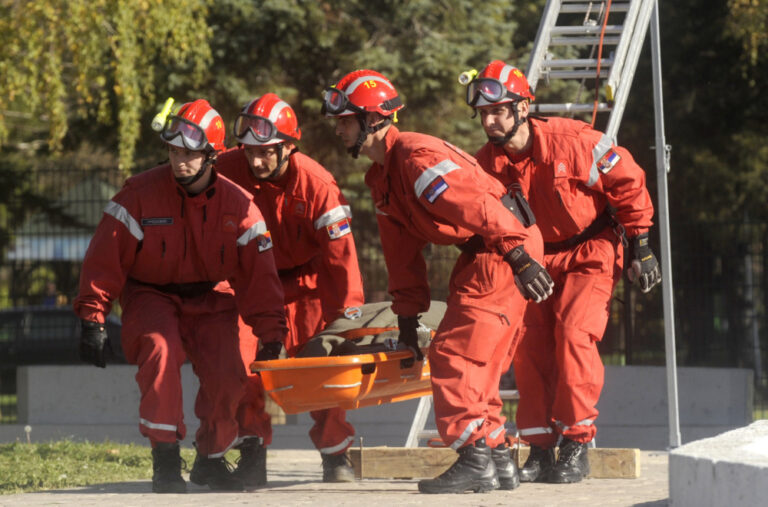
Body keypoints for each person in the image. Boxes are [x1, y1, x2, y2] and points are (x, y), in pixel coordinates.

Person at [321, 69, 554, 494]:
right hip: (493, 249)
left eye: (345, 120)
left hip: (502, 246)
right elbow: (402, 257)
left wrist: (518, 255)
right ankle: (497, 457)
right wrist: (407, 316)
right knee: (477, 361)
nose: (338, 130)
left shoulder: (413, 157)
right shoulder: (383, 177)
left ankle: (475, 458)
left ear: (372, 120)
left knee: (454, 354)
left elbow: (477, 204)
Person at [73, 99, 287, 493]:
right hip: (151, 294)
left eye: (188, 153)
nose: (179, 161)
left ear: (211, 155)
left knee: (229, 373)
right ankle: (166, 462)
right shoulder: (138, 194)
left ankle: (210, 460)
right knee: (159, 352)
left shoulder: (240, 207)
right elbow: (104, 257)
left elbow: (261, 278)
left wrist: (273, 334)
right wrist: (92, 317)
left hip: (213, 296)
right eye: (173, 151)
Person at [467, 60, 661, 483]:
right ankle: (538, 446)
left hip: (590, 249)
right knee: (529, 346)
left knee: (574, 335)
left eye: (499, 110)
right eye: (484, 113)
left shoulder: (573, 140)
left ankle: (575, 443)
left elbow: (629, 182)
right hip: (533, 260)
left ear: (522, 108)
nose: (490, 120)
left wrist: (641, 246)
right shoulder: (485, 164)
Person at [216, 93, 365, 483]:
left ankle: (336, 456)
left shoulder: (318, 184)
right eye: (249, 151)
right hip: (248, 285)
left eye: (266, 153)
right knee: (242, 368)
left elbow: (341, 260)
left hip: (309, 286)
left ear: (288, 146)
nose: (256, 161)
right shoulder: (226, 171)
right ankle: (251, 452)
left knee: (323, 370)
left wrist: (348, 321)